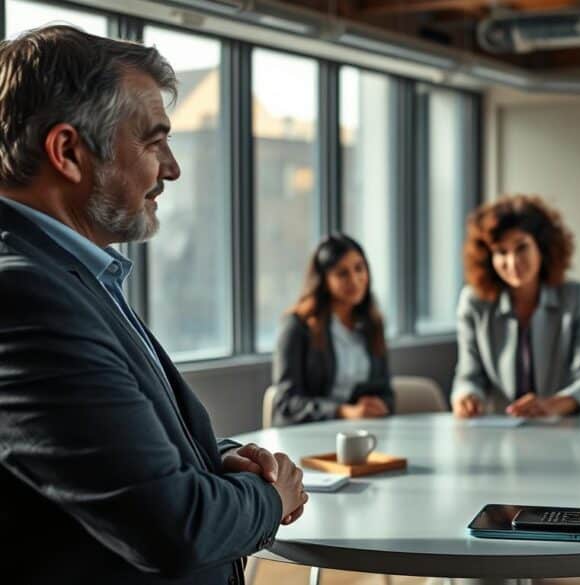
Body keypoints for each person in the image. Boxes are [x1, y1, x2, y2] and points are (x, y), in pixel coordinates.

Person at [0, 26, 306, 584]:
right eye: (152, 141)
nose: (172, 168)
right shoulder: (26, 297)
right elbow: (174, 526)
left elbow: (111, 458)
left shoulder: (75, 275)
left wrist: (220, 459)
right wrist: (269, 496)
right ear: (68, 152)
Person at [451, 194, 580, 418]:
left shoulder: (575, 297)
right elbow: (469, 376)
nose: (512, 262)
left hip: (564, 429)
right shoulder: (474, 302)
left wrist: (552, 405)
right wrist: (467, 396)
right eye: (501, 252)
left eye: (521, 247)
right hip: (499, 433)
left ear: (542, 248)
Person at [272, 234, 394, 425]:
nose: (354, 280)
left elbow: (386, 392)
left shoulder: (372, 323)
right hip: (306, 434)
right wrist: (342, 411)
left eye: (359, 269)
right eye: (342, 273)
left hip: (356, 433)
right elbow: (287, 402)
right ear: (324, 280)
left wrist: (376, 405)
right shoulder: (297, 326)